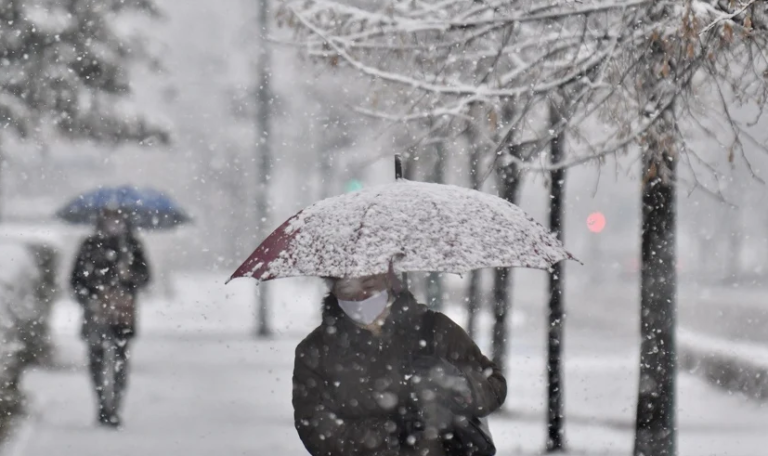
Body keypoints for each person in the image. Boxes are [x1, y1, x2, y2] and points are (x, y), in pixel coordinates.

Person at [292, 272, 507, 456]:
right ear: (332, 290)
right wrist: (391, 430)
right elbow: (316, 432)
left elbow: (494, 388)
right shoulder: (315, 350)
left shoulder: (435, 329)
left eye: (369, 284)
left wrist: (456, 382)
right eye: (347, 289)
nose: (360, 297)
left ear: (388, 277)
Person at [71, 208, 151, 427]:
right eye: (109, 218)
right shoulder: (89, 244)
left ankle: (114, 406)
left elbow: (145, 277)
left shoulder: (132, 245)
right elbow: (75, 279)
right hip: (95, 312)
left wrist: (130, 277)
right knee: (96, 360)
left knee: (120, 361)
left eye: (117, 218)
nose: (113, 223)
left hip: (122, 314)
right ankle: (101, 404)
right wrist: (90, 293)